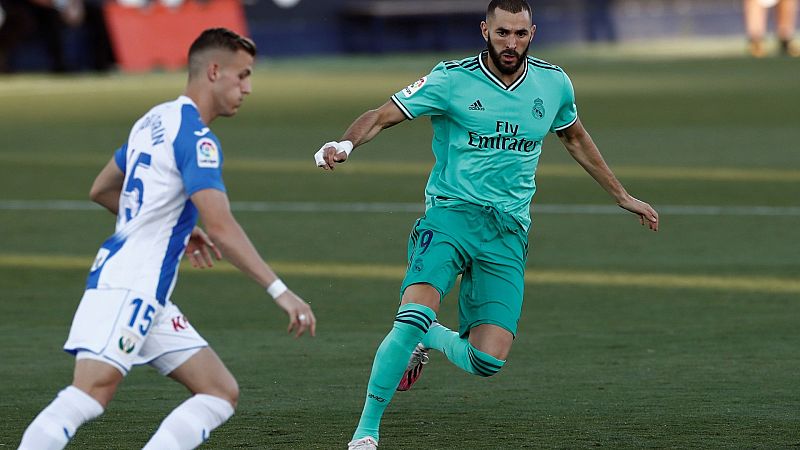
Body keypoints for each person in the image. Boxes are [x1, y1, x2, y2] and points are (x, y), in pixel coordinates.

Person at [314, 1, 659, 448]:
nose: (511, 43)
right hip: (451, 216)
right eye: (502, 33)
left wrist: (621, 195)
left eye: (520, 33)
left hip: (508, 231)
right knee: (412, 313)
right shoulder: (451, 79)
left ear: (532, 33)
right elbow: (382, 115)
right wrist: (345, 143)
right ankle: (365, 433)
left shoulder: (554, 83)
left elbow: (574, 137)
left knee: (487, 360)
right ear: (484, 31)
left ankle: (429, 337)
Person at [18, 27, 316, 450]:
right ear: (214, 71)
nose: (247, 88)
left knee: (218, 391)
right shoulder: (196, 139)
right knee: (90, 393)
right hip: (132, 283)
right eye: (243, 75)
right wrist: (280, 291)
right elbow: (222, 228)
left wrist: (173, 222)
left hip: (147, 291)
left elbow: (101, 189)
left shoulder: (155, 119)